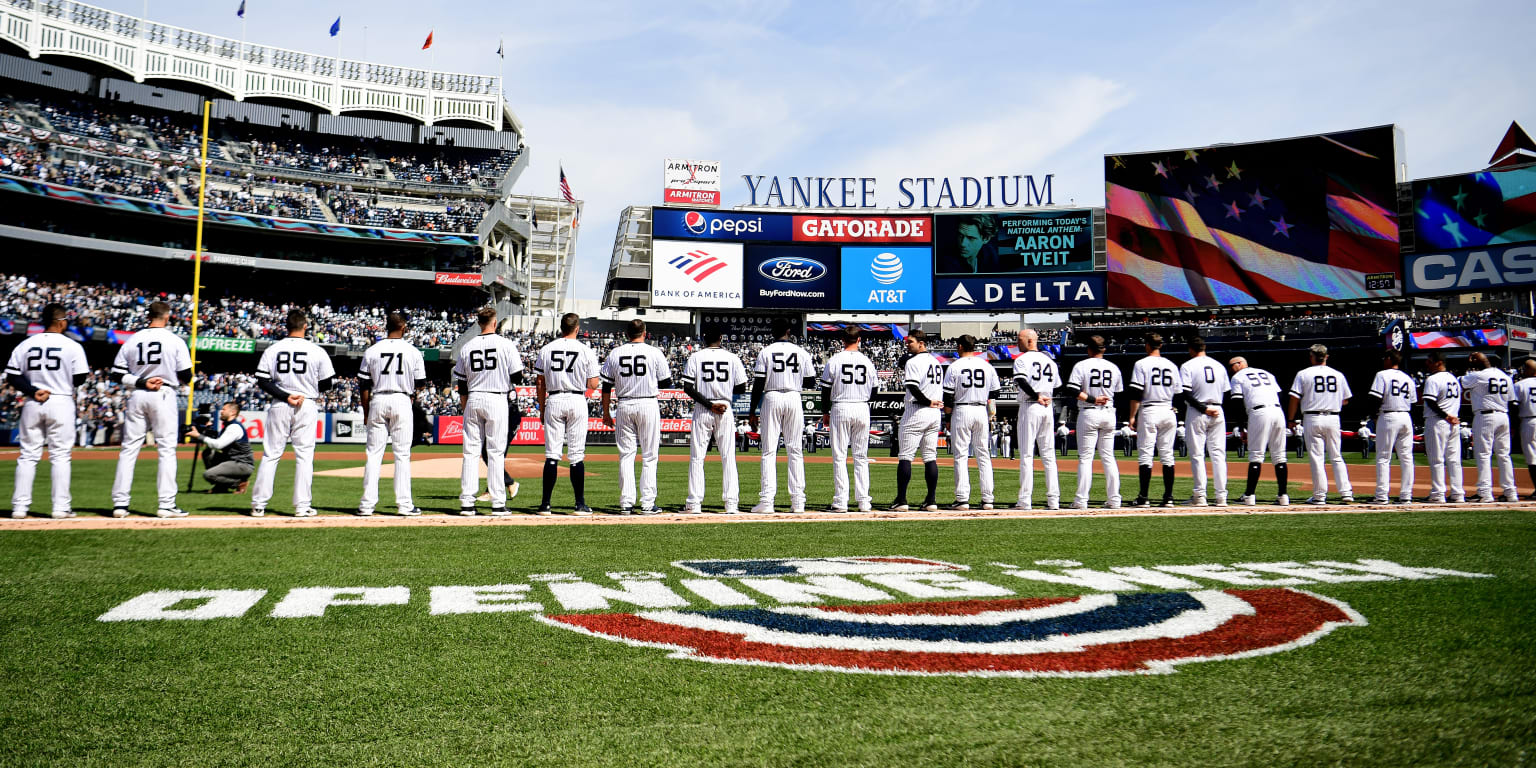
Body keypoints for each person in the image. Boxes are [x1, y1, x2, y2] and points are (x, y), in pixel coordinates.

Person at [109, 300, 193, 518]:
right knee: (166, 449)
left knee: (129, 449)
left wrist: (141, 382)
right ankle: (166, 504)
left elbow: (116, 374)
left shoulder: (133, 339)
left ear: (149, 316)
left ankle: (120, 504)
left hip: (138, 393)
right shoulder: (174, 340)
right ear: (167, 317)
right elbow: (186, 376)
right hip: (163, 393)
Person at [6, 303, 88, 519]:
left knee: (27, 456)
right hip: (60, 399)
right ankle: (60, 508)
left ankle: (20, 507)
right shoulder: (72, 345)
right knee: (60, 456)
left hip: (34, 400)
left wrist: (33, 390)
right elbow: (80, 378)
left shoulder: (26, 344)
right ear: (61, 322)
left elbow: (12, 375)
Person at [251, 309, 336, 517]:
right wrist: (306, 390)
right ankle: (301, 506)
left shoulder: (274, 349)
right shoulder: (317, 350)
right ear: (305, 326)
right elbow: (327, 384)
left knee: (271, 454)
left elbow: (262, 380)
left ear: (286, 326)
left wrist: (286, 395)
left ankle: (258, 505)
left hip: (280, 403)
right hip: (305, 403)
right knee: (305, 456)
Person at [452, 306, 523, 516]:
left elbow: (462, 384)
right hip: (495, 397)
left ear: (479, 323)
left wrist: (466, 407)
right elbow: (517, 377)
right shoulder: (505, 344)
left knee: (471, 452)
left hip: (473, 398)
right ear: (494, 322)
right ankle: (498, 503)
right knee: (495, 452)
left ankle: (467, 502)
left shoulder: (467, 346)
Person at [357, 313, 427, 517]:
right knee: (402, 454)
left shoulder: (372, 350)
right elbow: (420, 383)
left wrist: (366, 411)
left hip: (378, 398)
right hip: (401, 399)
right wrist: (410, 394)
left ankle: (366, 505)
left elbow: (363, 385)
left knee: (373, 454)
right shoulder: (412, 351)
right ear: (403, 327)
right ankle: (404, 505)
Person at [601, 319, 672, 514]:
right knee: (649, 455)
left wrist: (606, 412)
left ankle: (626, 503)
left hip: (624, 403)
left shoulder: (616, 353)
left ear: (626, 334)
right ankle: (648, 504)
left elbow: (606, 386)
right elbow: (666, 382)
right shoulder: (654, 352)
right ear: (645, 332)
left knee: (626, 455)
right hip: (648, 402)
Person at [534, 313, 601, 516]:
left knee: (552, 455)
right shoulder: (585, 350)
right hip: (576, 399)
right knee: (576, 455)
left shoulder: (547, 349)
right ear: (577, 328)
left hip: (554, 398)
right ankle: (579, 504)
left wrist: (542, 407)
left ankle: (545, 504)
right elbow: (593, 384)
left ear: (561, 328)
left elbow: (540, 382)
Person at [749, 318, 815, 514]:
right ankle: (798, 501)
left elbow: (758, 384)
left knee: (769, 451)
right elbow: (811, 382)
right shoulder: (801, 352)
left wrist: (752, 410)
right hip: (794, 396)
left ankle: (767, 501)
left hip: (772, 396)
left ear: (772, 332)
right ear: (788, 331)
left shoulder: (766, 351)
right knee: (795, 450)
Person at [681, 330, 749, 515]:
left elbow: (687, 387)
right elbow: (742, 387)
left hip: (704, 407)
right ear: (721, 337)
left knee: (697, 457)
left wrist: (710, 405)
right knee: (728, 457)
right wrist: (723, 394)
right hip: (724, 407)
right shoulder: (733, 357)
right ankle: (731, 503)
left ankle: (694, 503)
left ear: (704, 338)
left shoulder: (696, 357)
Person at [819, 326, 878, 513]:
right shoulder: (867, 361)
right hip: (861, 406)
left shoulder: (835, 360)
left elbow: (825, 390)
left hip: (841, 406)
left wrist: (825, 412)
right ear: (859, 340)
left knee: (840, 456)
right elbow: (875, 391)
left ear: (842, 340)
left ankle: (841, 501)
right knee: (861, 456)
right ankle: (864, 502)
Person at [1286, 344, 1352, 505]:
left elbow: (1294, 398)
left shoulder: (1304, 374)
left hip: (1312, 417)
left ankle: (1320, 495)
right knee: (1336, 456)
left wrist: (1291, 419)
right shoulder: (1338, 375)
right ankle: (1346, 493)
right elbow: (1345, 400)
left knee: (1317, 458)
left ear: (1311, 356)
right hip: (1333, 417)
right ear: (1326, 356)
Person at [1064, 334, 1123, 509]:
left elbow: (1072, 389)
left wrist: (1092, 399)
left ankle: (1081, 500)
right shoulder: (1113, 367)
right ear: (1104, 349)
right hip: (1109, 412)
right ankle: (1115, 499)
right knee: (1108, 457)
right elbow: (1118, 392)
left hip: (1089, 412)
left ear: (1088, 349)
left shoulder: (1082, 365)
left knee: (1085, 458)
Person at [888, 331, 944, 512]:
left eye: (910, 342)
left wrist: (927, 401)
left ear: (921, 343)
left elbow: (912, 387)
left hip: (917, 411)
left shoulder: (913, 362)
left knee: (905, 456)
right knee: (930, 456)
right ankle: (931, 500)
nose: (907, 345)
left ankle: (902, 500)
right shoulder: (936, 362)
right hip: (935, 413)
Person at [943, 335, 1000, 510]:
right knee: (983, 455)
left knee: (961, 455)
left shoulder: (955, 366)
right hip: (981, 409)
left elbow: (948, 396)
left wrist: (947, 418)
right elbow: (996, 393)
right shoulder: (986, 366)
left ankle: (962, 499)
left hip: (962, 408)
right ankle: (988, 499)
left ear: (960, 346)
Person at [1128, 333, 1183, 508]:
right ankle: (1169, 497)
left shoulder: (1142, 364)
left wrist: (1132, 416)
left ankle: (1144, 497)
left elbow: (1136, 393)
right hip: (1168, 409)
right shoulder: (1171, 365)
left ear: (1147, 345)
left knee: (1146, 455)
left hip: (1150, 409)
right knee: (1167, 455)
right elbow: (1179, 392)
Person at [1230, 356, 1289, 506]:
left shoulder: (1238, 377)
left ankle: (1249, 495)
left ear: (1240, 364)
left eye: (1232, 365)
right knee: (1280, 456)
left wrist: (1241, 426)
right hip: (1278, 411)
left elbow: (1237, 402)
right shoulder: (1267, 373)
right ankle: (1283, 495)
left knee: (1256, 455)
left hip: (1258, 412)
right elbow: (1280, 395)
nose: (1232, 369)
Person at [1460, 352, 1518, 503]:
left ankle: (1485, 493)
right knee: (1504, 455)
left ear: (1476, 364)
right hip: (1504, 415)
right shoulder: (1506, 376)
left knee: (1484, 454)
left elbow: (1461, 381)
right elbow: (1512, 401)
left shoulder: (1478, 376)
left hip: (1486, 415)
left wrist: (1469, 365)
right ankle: (1510, 492)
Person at [1012, 328, 1059, 510]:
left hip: (1031, 406)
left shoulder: (1022, 360)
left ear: (1030, 341)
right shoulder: (1049, 361)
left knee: (1026, 455)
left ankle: (1025, 500)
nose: (1017, 343)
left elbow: (1022, 382)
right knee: (1049, 455)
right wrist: (1045, 395)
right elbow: (1058, 386)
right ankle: (1053, 499)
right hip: (1047, 408)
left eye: (1020, 339)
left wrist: (1037, 394)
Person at [1180, 337, 1231, 507]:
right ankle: (1221, 496)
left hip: (1198, 411)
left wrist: (1203, 409)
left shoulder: (1188, 365)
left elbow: (1186, 394)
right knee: (1218, 455)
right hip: (1218, 409)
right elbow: (1227, 392)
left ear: (1190, 349)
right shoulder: (1219, 366)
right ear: (1204, 347)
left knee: (1197, 454)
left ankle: (1200, 496)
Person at [1366, 350, 1416, 504]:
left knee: (1383, 457)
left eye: (1384, 357)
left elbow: (1375, 398)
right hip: (1406, 416)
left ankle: (1381, 496)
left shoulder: (1382, 375)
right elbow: (1413, 402)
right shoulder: (1407, 378)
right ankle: (1406, 495)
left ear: (1389, 359)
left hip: (1388, 415)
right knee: (1407, 458)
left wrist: (1373, 415)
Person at [1421, 351, 1465, 504]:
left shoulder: (1433, 379)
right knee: (1454, 460)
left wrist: (1445, 415)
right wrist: (1451, 416)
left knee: (1437, 459)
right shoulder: (1453, 378)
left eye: (1429, 361)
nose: (1427, 363)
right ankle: (1458, 493)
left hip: (1438, 421)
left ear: (1438, 362)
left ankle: (1438, 494)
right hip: (1453, 422)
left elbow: (1430, 402)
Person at [188, 401, 254, 493]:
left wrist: (199, 436)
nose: (221, 411)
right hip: (231, 460)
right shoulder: (228, 426)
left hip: (242, 464)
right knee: (207, 453)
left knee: (208, 475)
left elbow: (218, 445)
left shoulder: (234, 427)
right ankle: (221, 487)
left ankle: (239, 483)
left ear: (233, 412)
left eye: (224, 409)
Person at [1514, 359, 1536, 499]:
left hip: (1530, 420)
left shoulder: (1520, 385)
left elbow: (1514, 407)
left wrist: (1514, 427)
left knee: (1532, 457)